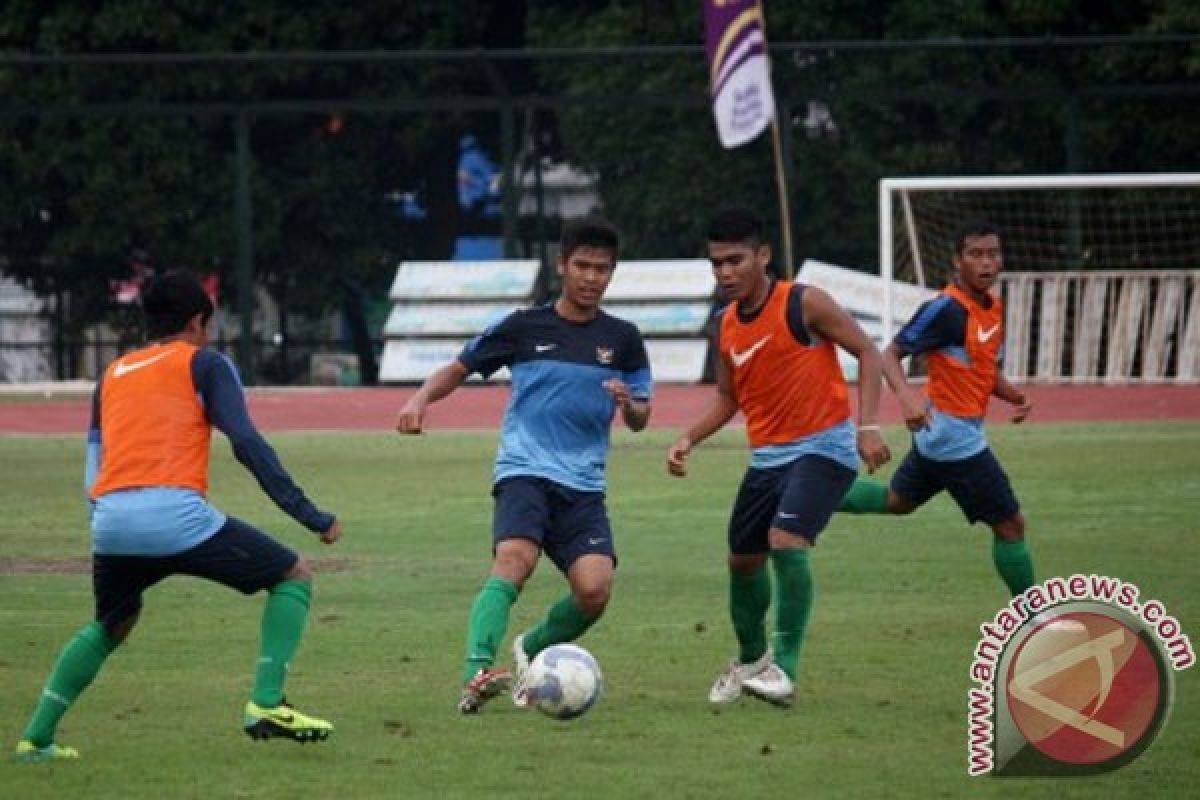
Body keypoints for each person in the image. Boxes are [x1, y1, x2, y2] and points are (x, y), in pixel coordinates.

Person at [15, 272, 343, 763]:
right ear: (197, 321)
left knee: (112, 623)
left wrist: (103, 516)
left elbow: (93, 458)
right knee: (292, 575)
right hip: (175, 516)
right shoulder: (205, 364)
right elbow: (247, 444)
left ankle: (35, 739)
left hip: (111, 520)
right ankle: (268, 704)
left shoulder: (114, 372)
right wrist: (310, 515)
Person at [396, 217, 652, 714]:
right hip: (525, 471)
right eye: (583, 266)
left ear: (612, 273)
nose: (592, 277)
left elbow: (642, 418)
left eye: (603, 269)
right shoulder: (523, 326)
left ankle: (531, 648)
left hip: (584, 486)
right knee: (515, 561)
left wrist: (629, 404)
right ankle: (476, 672)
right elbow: (459, 367)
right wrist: (420, 399)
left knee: (595, 591)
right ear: (562, 266)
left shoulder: (624, 339)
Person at [666, 208, 912, 708]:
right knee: (742, 559)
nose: (725, 273)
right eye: (716, 264)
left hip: (825, 447)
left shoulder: (803, 302)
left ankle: (786, 669)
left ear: (763, 256)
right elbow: (728, 399)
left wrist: (867, 425)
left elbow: (867, 351)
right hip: (767, 460)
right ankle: (752, 659)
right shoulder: (726, 325)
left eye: (735, 260)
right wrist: (688, 437)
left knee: (786, 538)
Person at [837, 220, 1036, 598]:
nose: (986, 263)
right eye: (976, 254)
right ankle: (1034, 617)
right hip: (952, 437)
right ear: (957, 261)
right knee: (1011, 525)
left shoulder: (992, 308)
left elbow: (984, 369)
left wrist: (1015, 396)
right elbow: (891, 353)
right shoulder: (944, 309)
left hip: (941, 434)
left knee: (897, 501)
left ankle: (813, 495)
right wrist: (907, 398)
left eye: (993, 254)